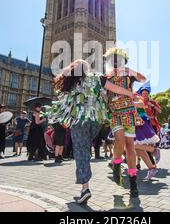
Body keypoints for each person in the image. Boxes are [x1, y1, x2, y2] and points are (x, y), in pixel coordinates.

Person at [44, 59, 135, 204]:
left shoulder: (71, 81)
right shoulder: (97, 77)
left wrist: (71, 67)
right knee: (85, 148)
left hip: (79, 120)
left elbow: (64, 99)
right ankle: (104, 166)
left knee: (81, 152)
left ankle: (85, 188)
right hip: (96, 120)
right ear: (87, 69)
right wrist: (130, 94)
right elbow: (114, 88)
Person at [104, 47, 146, 198]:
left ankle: (133, 183)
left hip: (129, 111)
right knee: (119, 140)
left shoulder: (128, 73)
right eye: (113, 60)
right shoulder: (106, 76)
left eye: (118, 59)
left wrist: (130, 71)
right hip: (114, 112)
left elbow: (143, 78)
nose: (115, 62)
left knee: (130, 147)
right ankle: (116, 163)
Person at [137, 81, 162, 164]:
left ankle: (151, 161)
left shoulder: (153, 102)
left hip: (152, 124)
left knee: (150, 144)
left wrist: (153, 106)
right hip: (142, 125)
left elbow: (160, 111)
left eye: (146, 93)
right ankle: (140, 162)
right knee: (141, 143)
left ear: (148, 94)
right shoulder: (139, 102)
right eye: (143, 93)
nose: (144, 95)